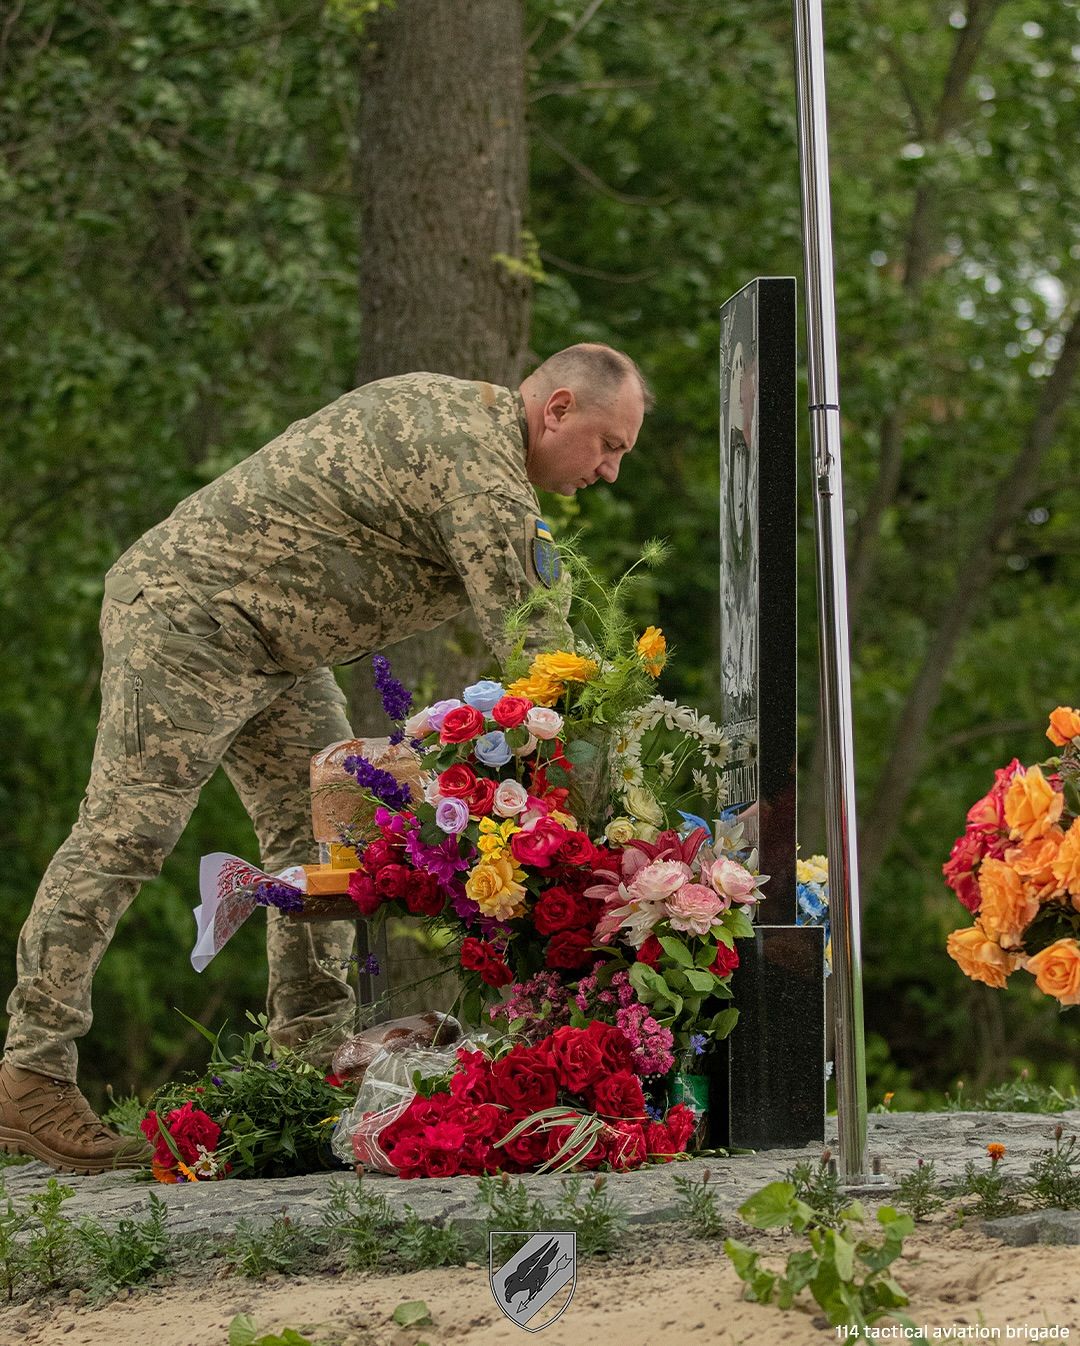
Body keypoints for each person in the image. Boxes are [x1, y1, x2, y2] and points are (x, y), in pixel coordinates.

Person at [0, 342, 650, 1174]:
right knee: (126, 837)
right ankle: (32, 1074)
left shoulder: (468, 423)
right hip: (193, 619)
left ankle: (308, 1058)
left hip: (272, 646)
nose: (609, 472)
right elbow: (539, 653)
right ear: (557, 408)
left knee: (332, 845)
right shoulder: (479, 466)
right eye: (609, 445)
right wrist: (621, 802)